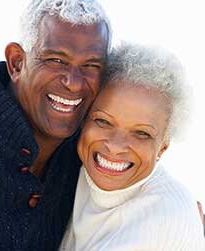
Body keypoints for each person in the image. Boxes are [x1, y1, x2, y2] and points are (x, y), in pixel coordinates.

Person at [0, 0, 111, 250]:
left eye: (91, 66)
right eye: (56, 60)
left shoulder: (91, 152)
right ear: (16, 62)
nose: (74, 83)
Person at [60, 43, 205, 250]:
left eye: (141, 133)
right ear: (84, 120)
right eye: (103, 121)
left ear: (163, 148)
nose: (115, 146)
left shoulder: (165, 218)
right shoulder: (69, 170)